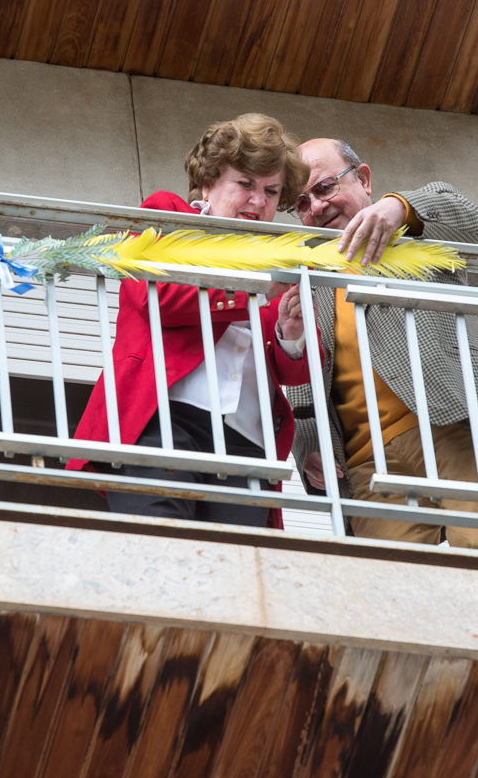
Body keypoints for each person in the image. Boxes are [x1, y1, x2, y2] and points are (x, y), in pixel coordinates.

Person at [70, 114, 312, 528]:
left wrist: (290, 336)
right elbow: (159, 297)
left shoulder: (280, 256)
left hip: (247, 441)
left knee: (238, 571)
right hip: (167, 418)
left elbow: (296, 371)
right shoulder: (169, 214)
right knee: (161, 551)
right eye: (246, 184)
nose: (259, 201)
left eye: (271, 191)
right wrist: (249, 291)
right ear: (209, 181)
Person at [285, 138, 478, 551]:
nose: (317, 207)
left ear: (363, 179)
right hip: (366, 461)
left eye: (324, 188)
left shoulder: (413, 231)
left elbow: (468, 218)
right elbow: (304, 375)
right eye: (302, 203)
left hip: (453, 423)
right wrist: (309, 444)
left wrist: (398, 207)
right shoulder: (309, 274)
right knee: (388, 596)